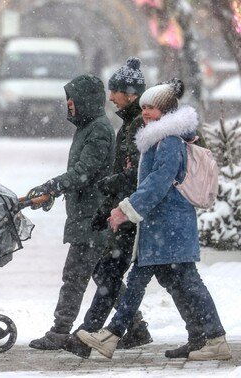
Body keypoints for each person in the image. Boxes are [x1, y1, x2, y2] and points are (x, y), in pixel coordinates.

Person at [76, 79, 232, 361]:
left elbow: (158, 183)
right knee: (143, 280)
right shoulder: (159, 139)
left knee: (187, 283)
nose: (146, 113)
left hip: (170, 227)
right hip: (159, 227)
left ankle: (216, 337)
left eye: (152, 108)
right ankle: (112, 336)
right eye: (144, 107)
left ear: (166, 111)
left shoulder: (169, 141)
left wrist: (126, 209)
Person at [62, 58, 152, 358]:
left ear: (132, 94)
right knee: (109, 273)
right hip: (124, 210)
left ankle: (93, 334)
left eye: (115, 91)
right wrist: (110, 204)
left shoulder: (139, 126)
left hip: (133, 212)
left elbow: (139, 172)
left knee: (112, 273)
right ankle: (103, 333)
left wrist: (110, 188)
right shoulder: (128, 125)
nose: (111, 97)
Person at [26, 74, 116, 350]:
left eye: (72, 99)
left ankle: (60, 331)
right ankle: (134, 324)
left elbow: (83, 173)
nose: (69, 104)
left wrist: (52, 187)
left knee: (75, 275)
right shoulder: (88, 127)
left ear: (86, 100)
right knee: (104, 277)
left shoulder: (98, 129)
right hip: (87, 215)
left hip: (92, 217)